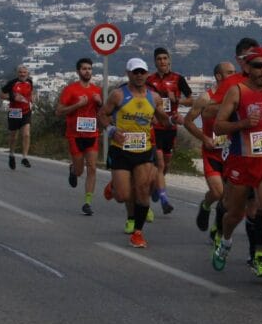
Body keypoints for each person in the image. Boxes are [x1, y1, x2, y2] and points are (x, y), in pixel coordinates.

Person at [210, 46, 262, 292]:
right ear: (247, 68)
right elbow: (218, 126)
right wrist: (243, 123)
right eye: (258, 66)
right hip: (241, 162)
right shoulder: (237, 92)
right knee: (234, 214)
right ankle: (225, 241)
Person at [99, 57, 172, 248]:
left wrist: (169, 118)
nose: (139, 75)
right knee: (123, 195)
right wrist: (111, 131)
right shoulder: (118, 95)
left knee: (142, 191)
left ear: (147, 74)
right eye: (135, 72)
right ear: (128, 74)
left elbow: (161, 120)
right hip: (121, 151)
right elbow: (102, 114)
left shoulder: (154, 97)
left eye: (142, 72)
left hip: (144, 150)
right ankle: (114, 185)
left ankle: (138, 233)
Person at [183, 60, 235, 239]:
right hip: (212, 153)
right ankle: (206, 205)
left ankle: (217, 228)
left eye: (234, 72)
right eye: (229, 72)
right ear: (219, 76)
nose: (233, 75)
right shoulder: (206, 98)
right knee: (218, 193)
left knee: (228, 198)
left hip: (231, 153)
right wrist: (204, 138)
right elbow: (187, 121)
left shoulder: (236, 96)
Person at [146, 47, 192, 214]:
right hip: (154, 127)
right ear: (155, 62)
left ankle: (155, 189)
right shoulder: (149, 80)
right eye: (159, 59)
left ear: (169, 60)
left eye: (165, 58)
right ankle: (165, 199)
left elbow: (191, 100)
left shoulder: (178, 79)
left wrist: (177, 100)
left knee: (165, 166)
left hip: (170, 127)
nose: (162, 62)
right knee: (159, 163)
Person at [56, 57, 103, 216]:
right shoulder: (71, 90)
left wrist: (99, 103)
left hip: (92, 134)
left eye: (89, 68)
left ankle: (87, 202)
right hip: (75, 135)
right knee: (79, 171)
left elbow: (103, 113)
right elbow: (59, 111)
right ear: (78, 71)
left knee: (92, 167)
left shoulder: (97, 90)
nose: (87, 71)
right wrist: (77, 105)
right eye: (84, 69)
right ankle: (72, 169)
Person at [0, 65, 35, 170]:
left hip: (26, 112)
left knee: (26, 134)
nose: (22, 74)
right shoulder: (12, 83)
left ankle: (24, 157)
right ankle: (11, 154)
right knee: (13, 136)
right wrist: (13, 97)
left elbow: (31, 93)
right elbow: (1, 95)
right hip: (14, 111)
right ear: (17, 73)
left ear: (27, 73)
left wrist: (32, 100)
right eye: (20, 72)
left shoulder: (30, 82)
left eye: (24, 72)